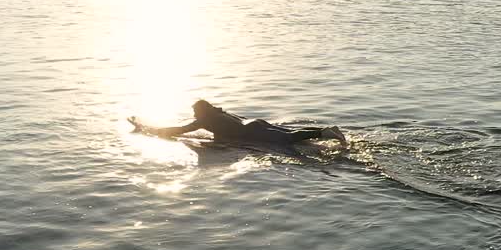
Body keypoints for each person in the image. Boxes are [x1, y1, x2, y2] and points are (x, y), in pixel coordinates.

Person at [130, 100, 347, 146]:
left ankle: (324, 134)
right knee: (288, 132)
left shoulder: (203, 120)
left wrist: (150, 130)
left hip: (250, 133)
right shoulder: (218, 113)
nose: (194, 114)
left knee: (288, 139)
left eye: (195, 111)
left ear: (201, 111)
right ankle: (325, 131)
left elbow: (179, 130)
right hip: (255, 123)